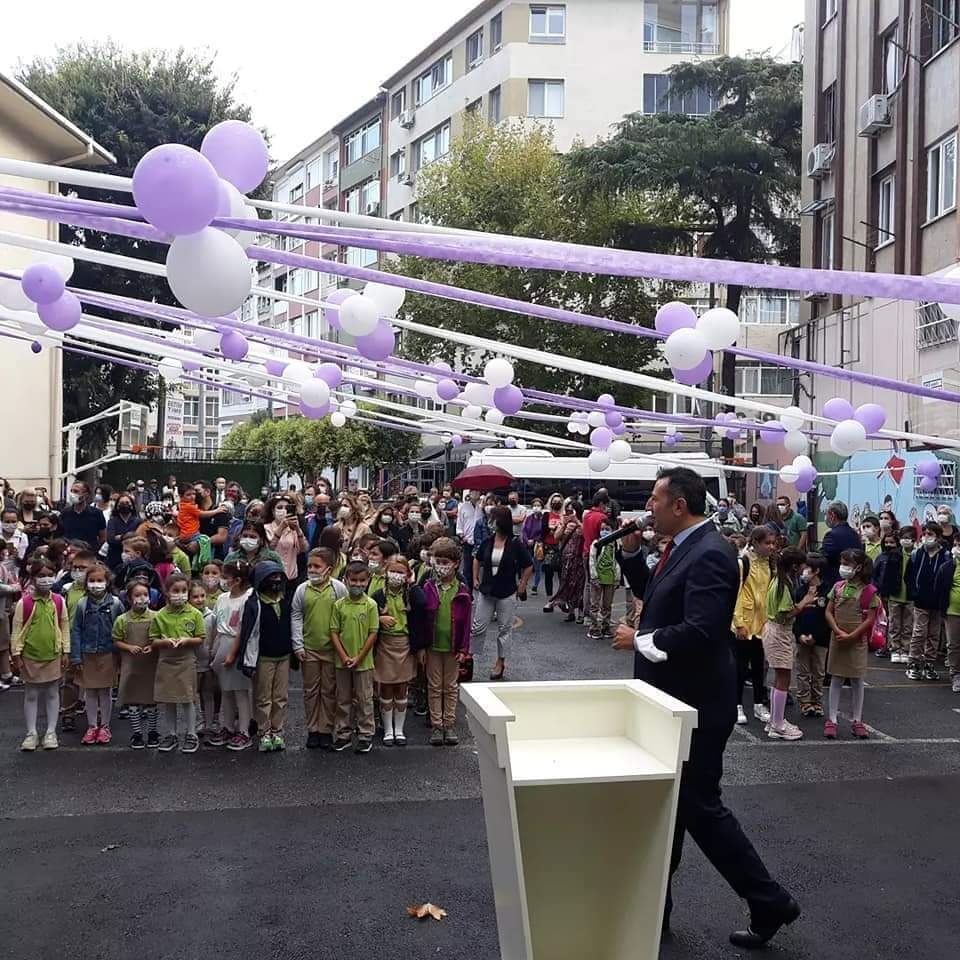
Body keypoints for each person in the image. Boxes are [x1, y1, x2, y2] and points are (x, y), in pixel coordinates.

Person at [613, 467, 799, 948]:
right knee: (670, 810)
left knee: (698, 808)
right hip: (669, 701)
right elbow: (657, 599)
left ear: (680, 505)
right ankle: (657, 912)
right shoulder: (681, 548)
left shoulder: (712, 553)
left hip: (695, 706)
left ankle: (769, 900)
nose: (647, 507)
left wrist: (641, 639)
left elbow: (701, 629)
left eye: (655, 498)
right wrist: (632, 558)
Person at [11, 557, 69, 751]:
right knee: (31, 694)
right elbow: (17, 630)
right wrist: (16, 654)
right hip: (30, 656)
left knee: (53, 693)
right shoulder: (24, 603)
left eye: (50, 575)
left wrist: (65, 651)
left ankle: (51, 732)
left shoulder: (59, 601)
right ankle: (31, 733)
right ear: (33, 578)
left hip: (53, 654)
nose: (46, 579)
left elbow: (64, 627)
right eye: (41, 576)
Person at [292, 548, 347, 750]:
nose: (312, 570)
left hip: (332, 650)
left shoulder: (338, 589)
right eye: (310, 566)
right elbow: (296, 616)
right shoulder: (302, 589)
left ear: (329, 569)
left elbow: (344, 615)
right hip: (310, 649)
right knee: (310, 691)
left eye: (317, 566)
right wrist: (298, 644)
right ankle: (313, 729)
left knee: (329, 690)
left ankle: (325, 729)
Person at [471, 505, 533, 682]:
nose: (491, 523)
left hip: (506, 591)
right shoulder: (488, 542)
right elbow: (477, 559)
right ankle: (470, 657)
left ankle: (500, 662)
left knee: (504, 629)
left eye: (494, 519)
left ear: (502, 521)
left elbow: (528, 565)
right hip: (487, 590)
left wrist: (522, 584)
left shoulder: (515, 544)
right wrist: (475, 578)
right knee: (478, 626)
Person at [824, 549, 879, 739]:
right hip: (838, 638)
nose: (843, 568)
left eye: (847, 564)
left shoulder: (869, 591)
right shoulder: (838, 587)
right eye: (843, 563)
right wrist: (838, 631)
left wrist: (852, 635)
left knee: (857, 679)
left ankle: (857, 719)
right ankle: (832, 718)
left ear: (859, 567)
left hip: (857, 640)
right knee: (836, 678)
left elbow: (870, 619)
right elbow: (828, 612)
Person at [762, 547, 816, 741]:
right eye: (802, 566)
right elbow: (786, 613)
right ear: (794, 566)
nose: (804, 570)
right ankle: (777, 724)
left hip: (773, 630)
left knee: (779, 678)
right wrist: (804, 603)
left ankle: (776, 720)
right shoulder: (783, 585)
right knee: (783, 678)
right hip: (779, 632)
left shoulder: (778, 579)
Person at [238, 561, 293, 753]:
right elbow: (246, 634)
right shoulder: (254, 603)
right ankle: (264, 731)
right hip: (263, 657)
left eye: (278, 578)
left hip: (283, 656)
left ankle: (278, 730)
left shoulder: (285, 600)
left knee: (280, 696)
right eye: (271, 578)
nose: (275, 582)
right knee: (263, 697)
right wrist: (245, 660)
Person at [149, 572, 206, 753]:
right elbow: (153, 640)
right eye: (176, 591)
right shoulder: (160, 615)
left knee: (188, 699)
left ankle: (191, 734)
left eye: (183, 591)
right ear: (167, 592)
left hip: (186, 660)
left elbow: (200, 638)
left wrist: (186, 640)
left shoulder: (195, 614)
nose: (180, 594)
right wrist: (165, 642)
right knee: (169, 700)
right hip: (166, 660)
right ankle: (171, 734)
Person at [423, 538, 472, 746]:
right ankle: (436, 725)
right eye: (438, 561)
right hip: (433, 646)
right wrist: (421, 647)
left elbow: (467, 622)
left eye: (446, 562)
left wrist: (464, 648)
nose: (441, 566)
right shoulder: (428, 587)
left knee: (451, 686)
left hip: (453, 647)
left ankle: (449, 724)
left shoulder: (462, 590)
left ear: (455, 564)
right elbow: (422, 618)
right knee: (435, 686)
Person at [371, 556, 424, 746]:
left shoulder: (411, 594)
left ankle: (399, 729)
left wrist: (413, 583)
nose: (396, 576)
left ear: (407, 575)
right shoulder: (378, 595)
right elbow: (368, 617)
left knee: (402, 687)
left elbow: (423, 603)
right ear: (385, 572)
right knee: (385, 686)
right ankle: (388, 729)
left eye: (401, 572)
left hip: (405, 645)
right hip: (385, 644)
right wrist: (379, 618)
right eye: (393, 571)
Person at [330, 560, 379, 753]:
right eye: (353, 580)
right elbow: (334, 632)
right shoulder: (339, 605)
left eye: (362, 581)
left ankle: (365, 734)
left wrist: (358, 657)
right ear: (346, 580)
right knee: (342, 698)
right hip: (342, 661)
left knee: (364, 698)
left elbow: (372, 634)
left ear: (368, 581)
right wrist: (343, 656)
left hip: (364, 662)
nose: (357, 584)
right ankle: (343, 733)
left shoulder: (371, 605)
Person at [70, 563, 122, 745]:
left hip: (108, 654)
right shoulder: (82, 604)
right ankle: (92, 726)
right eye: (92, 580)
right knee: (90, 691)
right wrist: (75, 656)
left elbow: (121, 628)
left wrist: (120, 655)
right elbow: (75, 630)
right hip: (87, 653)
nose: (96, 584)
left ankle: (105, 726)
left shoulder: (115, 603)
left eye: (100, 580)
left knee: (106, 691)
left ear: (107, 582)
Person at [208, 559, 254, 751]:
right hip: (222, 643)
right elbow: (218, 626)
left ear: (237, 580)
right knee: (225, 690)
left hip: (238, 645)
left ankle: (244, 730)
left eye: (225, 577)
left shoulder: (248, 598)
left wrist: (232, 654)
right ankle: (227, 726)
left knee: (240, 691)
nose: (222, 580)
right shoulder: (222, 598)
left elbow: (243, 629)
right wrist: (214, 649)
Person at [733, 526, 776, 726]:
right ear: (756, 543)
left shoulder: (771, 565)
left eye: (773, 543)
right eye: (767, 543)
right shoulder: (743, 563)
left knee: (760, 666)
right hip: (745, 623)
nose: (771, 547)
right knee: (740, 667)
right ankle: (737, 705)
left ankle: (759, 704)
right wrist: (739, 623)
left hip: (763, 623)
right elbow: (736, 594)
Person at [905, 521, 954, 681]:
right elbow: (909, 576)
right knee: (919, 631)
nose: (927, 537)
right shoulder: (917, 554)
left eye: (930, 534)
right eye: (924, 534)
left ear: (939, 538)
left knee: (934, 634)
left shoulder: (946, 556)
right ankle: (913, 662)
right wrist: (914, 592)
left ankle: (929, 663)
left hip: (937, 602)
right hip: (921, 600)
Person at [112, 581, 159, 749]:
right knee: (132, 699)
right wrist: (129, 647)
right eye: (137, 595)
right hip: (130, 664)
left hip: (150, 663)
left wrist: (153, 646)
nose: (142, 599)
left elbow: (159, 637)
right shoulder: (122, 620)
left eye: (145, 595)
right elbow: (116, 640)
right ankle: (137, 733)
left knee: (151, 699)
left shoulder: (156, 617)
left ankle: (153, 732)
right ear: (129, 599)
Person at [793, 553, 830, 718]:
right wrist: (800, 634)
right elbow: (795, 615)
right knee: (803, 671)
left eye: (806, 568)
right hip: (802, 639)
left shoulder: (828, 591)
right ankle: (804, 701)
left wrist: (815, 635)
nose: (803, 571)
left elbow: (827, 618)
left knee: (819, 672)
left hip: (820, 639)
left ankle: (817, 701)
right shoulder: (800, 591)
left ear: (816, 571)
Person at [873, 527, 912, 662]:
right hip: (894, 595)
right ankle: (894, 649)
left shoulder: (915, 555)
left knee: (907, 625)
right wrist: (883, 590)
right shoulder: (891, 556)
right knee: (894, 624)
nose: (889, 545)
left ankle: (905, 650)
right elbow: (882, 576)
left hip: (909, 596)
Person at [545, 501, 586, 621]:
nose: (569, 513)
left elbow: (586, 534)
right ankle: (571, 611)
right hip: (566, 558)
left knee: (579, 585)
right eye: (567, 510)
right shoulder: (564, 522)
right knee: (567, 583)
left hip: (579, 558)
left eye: (572, 510)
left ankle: (581, 613)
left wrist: (577, 522)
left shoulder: (582, 522)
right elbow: (556, 537)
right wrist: (563, 525)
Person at [263, 495, 308, 597]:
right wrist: (281, 528)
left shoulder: (292, 530)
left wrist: (298, 529)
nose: (283, 511)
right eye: (279, 508)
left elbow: (303, 549)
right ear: (272, 511)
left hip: (291, 579)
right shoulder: (266, 528)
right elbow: (269, 549)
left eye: (286, 508)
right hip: (272, 577)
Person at [587, 514, 621, 641]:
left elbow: (617, 562)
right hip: (597, 577)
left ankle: (606, 627)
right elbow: (591, 560)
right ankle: (594, 628)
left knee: (607, 605)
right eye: (602, 529)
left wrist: (617, 578)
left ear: (613, 530)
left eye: (607, 529)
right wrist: (594, 576)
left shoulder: (616, 544)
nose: (604, 531)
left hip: (610, 578)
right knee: (595, 604)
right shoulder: (596, 544)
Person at [580, 491, 610, 623]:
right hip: (598, 553)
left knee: (588, 583)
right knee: (600, 585)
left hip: (586, 551)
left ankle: (586, 614)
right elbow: (603, 536)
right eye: (606, 504)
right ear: (602, 503)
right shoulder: (602, 518)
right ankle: (598, 615)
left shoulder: (587, 516)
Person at [821, 501, 861, 585]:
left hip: (835, 581)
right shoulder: (854, 533)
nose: (826, 517)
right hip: (854, 579)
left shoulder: (831, 535)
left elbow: (823, 558)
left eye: (826, 514)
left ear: (832, 515)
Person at [59, 481, 106, 549]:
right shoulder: (65, 513)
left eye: (76, 491)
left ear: (86, 494)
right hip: (70, 552)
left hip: (89, 554)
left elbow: (103, 537)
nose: (72, 494)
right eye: (71, 491)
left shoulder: (96, 513)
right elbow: (61, 534)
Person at [105, 492, 141, 570]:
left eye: (127, 502)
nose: (125, 505)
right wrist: (129, 536)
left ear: (132, 505)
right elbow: (110, 540)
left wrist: (120, 537)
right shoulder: (112, 521)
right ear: (117, 506)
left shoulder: (138, 521)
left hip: (133, 559)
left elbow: (139, 540)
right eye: (121, 503)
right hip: (114, 559)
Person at [540, 493, 564, 601]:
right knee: (549, 572)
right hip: (548, 546)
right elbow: (542, 530)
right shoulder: (546, 515)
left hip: (561, 547)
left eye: (559, 502)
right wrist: (551, 529)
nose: (556, 503)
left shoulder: (564, 516)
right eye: (554, 501)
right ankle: (549, 597)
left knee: (562, 573)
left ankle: (562, 597)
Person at [521, 499, 546, 597]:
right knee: (526, 565)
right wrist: (527, 540)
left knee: (537, 566)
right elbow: (524, 531)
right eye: (534, 505)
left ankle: (535, 586)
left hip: (538, 545)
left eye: (538, 505)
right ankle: (524, 583)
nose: (536, 507)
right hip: (528, 545)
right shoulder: (529, 518)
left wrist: (535, 540)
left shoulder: (543, 519)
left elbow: (543, 532)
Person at [455, 489, 481, 584]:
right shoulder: (463, 507)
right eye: (473, 491)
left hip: (478, 541)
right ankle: (467, 589)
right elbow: (459, 524)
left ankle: (475, 582)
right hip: (467, 541)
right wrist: (462, 536)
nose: (475, 493)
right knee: (467, 567)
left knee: (477, 566)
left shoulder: (481, 507)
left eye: (477, 491)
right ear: (469, 493)